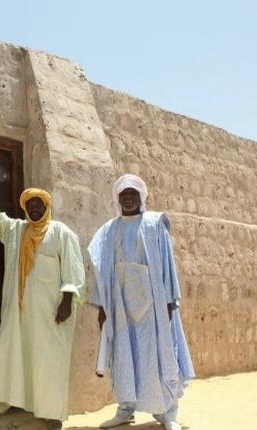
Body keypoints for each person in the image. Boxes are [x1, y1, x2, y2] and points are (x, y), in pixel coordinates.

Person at [0, 166, 85, 430]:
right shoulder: (16, 230)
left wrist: (68, 301)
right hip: (19, 310)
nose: (34, 210)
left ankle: (52, 413)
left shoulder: (61, 232)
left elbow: (73, 269)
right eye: (30, 206)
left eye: (38, 205)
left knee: (49, 360)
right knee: (12, 353)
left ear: (46, 207)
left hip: (50, 312)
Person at [87, 174, 195, 430]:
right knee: (125, 356)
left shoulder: (154, 223)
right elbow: (101, 270)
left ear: (141, 197)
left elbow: (168, 263)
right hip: (121, 305)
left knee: (158, 356)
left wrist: (170, 301)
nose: (128, 198)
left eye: (133, 194)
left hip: (154, 304)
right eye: (124, 194)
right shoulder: (108, 230)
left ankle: (168, 414)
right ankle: (126, 409)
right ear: (117, 198)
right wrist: (102, 306)